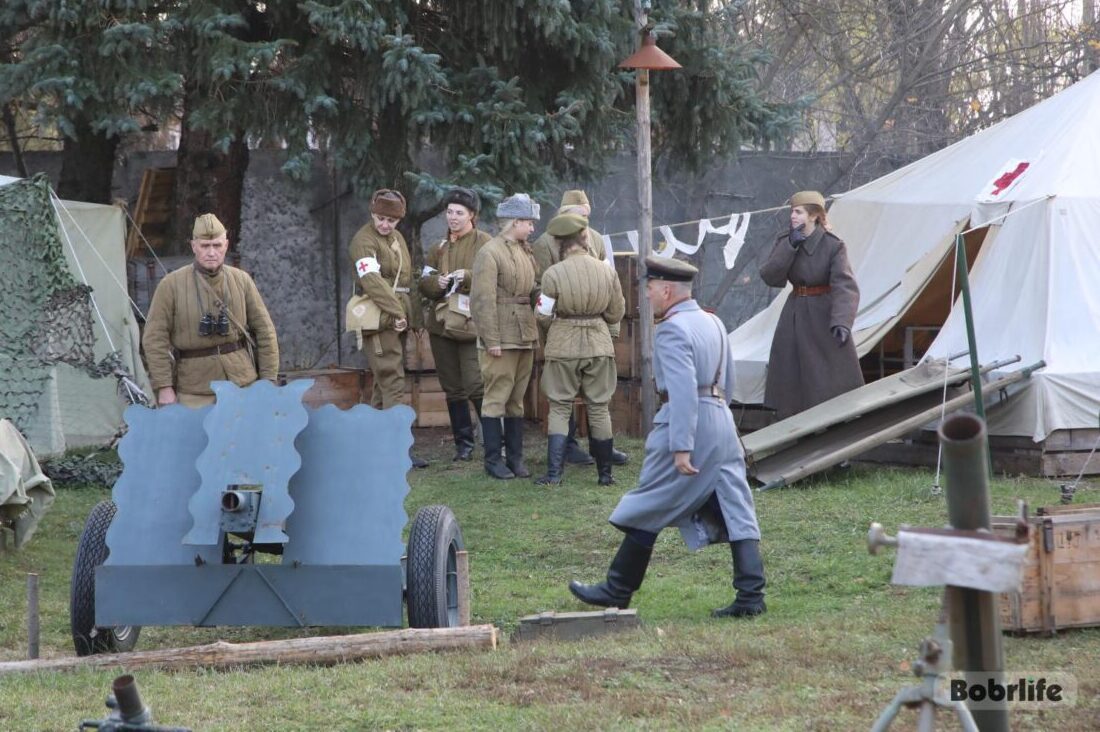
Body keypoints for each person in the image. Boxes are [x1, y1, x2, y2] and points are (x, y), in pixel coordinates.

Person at [568, 255, 766, 618]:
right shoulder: (714, 322)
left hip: (688, 421)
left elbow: (684, 392)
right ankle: (751, 597)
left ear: (668, 290)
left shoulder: (672, 329)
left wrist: (681, 446)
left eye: (650, 289)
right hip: (721, 419)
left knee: (651, 503)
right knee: (736, 505)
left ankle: (616, 589)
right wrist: (723, 426)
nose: (646, 296)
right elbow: (729, 381)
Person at [531, 189, 629, 468]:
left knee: (570, 403)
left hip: (576, 330)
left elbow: (607, 289)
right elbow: (615, 302)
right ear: (565, 214)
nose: (585, 222)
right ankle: (589, 461)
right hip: (571, 331)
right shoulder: (544, 244)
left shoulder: (595, 238)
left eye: (587, 216)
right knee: (573, 400)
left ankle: (574, 463)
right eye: (580, 216)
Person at [143, 213, 279, 408]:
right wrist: (164, 386)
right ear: (194, 246)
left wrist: (268, 380)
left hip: (242, 383)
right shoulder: (170, 285)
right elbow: (154, 339)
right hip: (194, 389)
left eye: (217, 245)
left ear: (226, 245)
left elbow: (265, 331)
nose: (211, 252)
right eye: (205, 246)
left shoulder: (242, 280)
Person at [760, 190, 863, 420]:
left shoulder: (833, 246)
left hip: (823, 317)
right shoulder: (786, 240)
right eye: (792, 212)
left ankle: (835, 433)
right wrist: (790, 247)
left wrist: (842, 322)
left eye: (798, 212)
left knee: (827, 381)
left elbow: (845, 286)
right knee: (792, 381)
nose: (793, 217)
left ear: (815, 215)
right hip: (794, 315)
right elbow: (770, 276)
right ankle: (794, 429)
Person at [348, 188, 428, 468]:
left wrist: (414, 318)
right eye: (381, 218)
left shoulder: (398, 239)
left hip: (398, 316)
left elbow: (406, 279)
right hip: (380, 318)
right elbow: (372, 281)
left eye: (391, 221)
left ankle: (373, 448)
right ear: (372, 213)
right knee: (391, 380)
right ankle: (396, 451)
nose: (385, 225)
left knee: (385, 387)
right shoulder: (363, 241)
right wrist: (396, 311)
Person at [470, 193, 541, 480]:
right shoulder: (490, 252)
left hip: (525, 334)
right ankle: (492, 460)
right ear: (516, 222)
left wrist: (542, 298)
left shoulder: (525, 252)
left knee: (516, 400)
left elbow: (532, 286)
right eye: (529, 222)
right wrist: (492, 340)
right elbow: (482, 300)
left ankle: (515, 458)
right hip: (500, 335)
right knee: (496, 397)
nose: (533, 228)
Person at [419, 187, 491, 461]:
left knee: (475, 384)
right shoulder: (439, 247)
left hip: (471, 324)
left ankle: (494, 440)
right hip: (441, 325)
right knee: (451, 385)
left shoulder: (484, 242)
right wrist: (433, 283)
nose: (453, 217)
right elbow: (424, 281)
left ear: (472, 215)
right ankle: (464, 445)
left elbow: (493, 275)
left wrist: (468, 276)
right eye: (449, 212)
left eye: (459, 213)